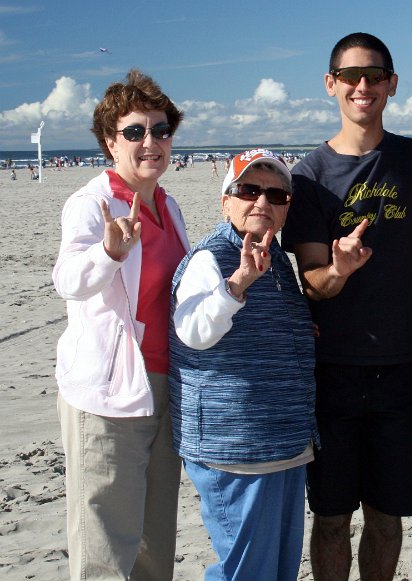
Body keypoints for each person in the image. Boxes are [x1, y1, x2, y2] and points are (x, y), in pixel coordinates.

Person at [281, 32, 412, 581]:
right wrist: (339, 270)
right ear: (331, 85)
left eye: (374, 75)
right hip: (333, 373)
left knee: (388, 517)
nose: (362, 85)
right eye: (350, 76)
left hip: (404, 367)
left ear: (392, 85)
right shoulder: (309, 176)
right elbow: (314, 283)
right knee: (330, 518)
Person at [52, 69, 188, 580]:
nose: (150, 141)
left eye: (160, 129)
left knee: (156, 541)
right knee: (105, 543)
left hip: (163, 386)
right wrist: (109, 252)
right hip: (109, 392)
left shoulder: (168, 205)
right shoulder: (92, 203)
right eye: (135, 131)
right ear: (111, 141)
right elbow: (68, 277)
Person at [168, 149, 317, 581]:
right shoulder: (211, 258)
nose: (263, 203)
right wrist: (235, 286)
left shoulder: (278, 261)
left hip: (283, 442)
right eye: (249, 190)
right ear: (226, 201)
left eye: (276, 195)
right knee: (245, 569)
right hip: (235, 448)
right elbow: (193, 330)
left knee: (277, 567)